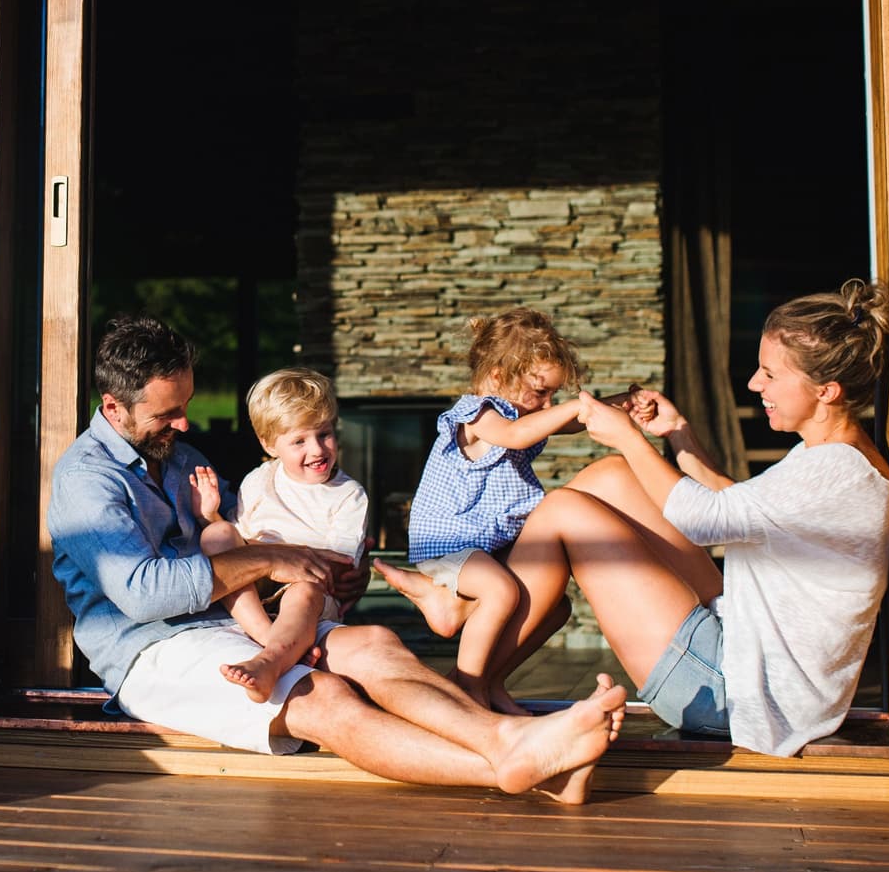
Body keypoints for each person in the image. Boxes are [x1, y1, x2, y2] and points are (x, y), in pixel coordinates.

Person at [48, 314, 628, 803]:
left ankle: (519, 744)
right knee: (322, 696)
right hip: (153, 648)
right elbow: (147, 593)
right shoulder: (85, 480)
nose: (185, 423)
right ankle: (515, 762)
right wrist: (280, 558)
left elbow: (245, 531)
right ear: (113, 407)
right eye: (167, 414)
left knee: (375, 643)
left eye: (186, 406)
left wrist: (329, 575)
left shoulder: (176, 453)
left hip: (234, 621)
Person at [503, 280, 889, 756]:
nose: (754, 384)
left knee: (567, 509)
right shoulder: (832, 455)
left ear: (826, 391)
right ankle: (487, 631)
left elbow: (705, 521)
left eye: (769, 375)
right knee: (610, 476)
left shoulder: (831, 470)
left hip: (737, 694)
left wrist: (629, 437)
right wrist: (678, 433)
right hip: (742, 647)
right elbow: (733, 505)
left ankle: (475, 670)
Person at [377, 307, 609, 715]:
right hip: (451, 543)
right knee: (501, 592)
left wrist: (619, 404)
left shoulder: (522, 411)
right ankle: (467, 689)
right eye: (540, 392)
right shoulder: (478, 414)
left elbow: (569, 422)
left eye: (553, 395)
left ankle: (491, 680)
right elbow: (517, 437)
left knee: (556, 608)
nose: (547, 404)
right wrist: (575, 407)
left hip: (485, 546)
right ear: (499, 377)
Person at [188, 367, 369, 703]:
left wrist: (270, 557)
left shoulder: (348, 494)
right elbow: (237, 542)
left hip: (310, 590)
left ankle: (269, 662)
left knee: (303, 592)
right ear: (269, 444)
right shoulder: (259, 480)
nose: (317, 450)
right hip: (256, 588)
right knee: (216, 534)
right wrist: (209, 514)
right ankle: (267, 635)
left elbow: (336, 564)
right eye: (299, 440)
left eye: (324, 434)